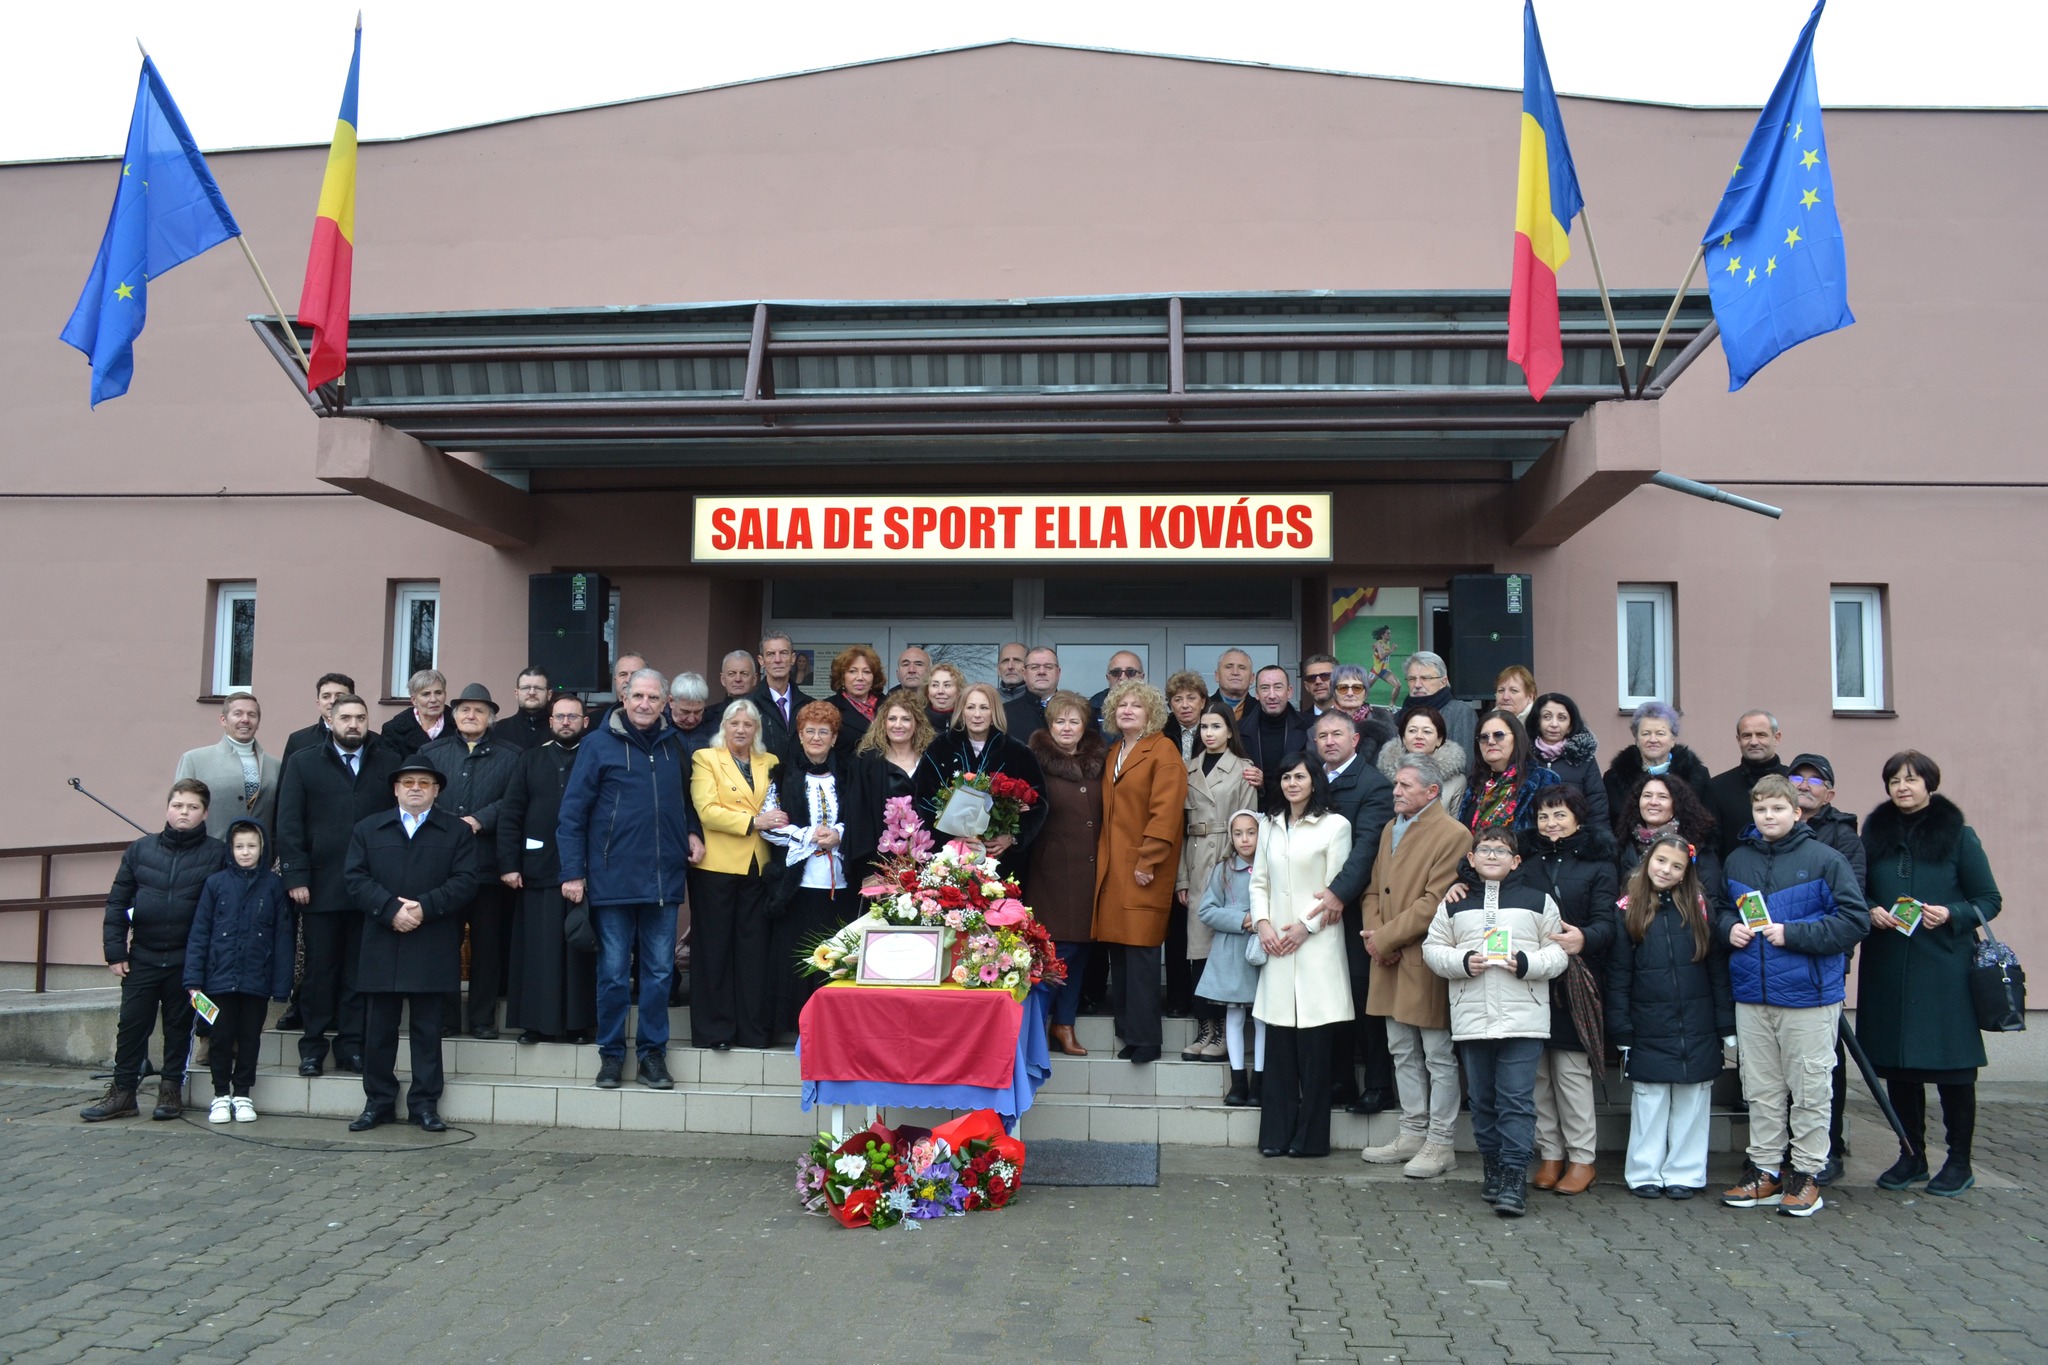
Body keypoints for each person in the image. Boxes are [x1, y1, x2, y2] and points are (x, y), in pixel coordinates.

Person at [1718, 774, 1868, 1218]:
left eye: (1778, 809)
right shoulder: (1737, 860)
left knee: (1809, 1090)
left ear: (1797, 812)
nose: (1769, 816)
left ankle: (1806, 1175)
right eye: (1761, 809)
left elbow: (1854, 921)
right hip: (1753, 994)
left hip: (1809, 996)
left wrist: (1794, 933)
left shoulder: (1826, 859)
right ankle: (1765, 1170)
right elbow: (1722, 909)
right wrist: (1729, 928)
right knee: (1761, 1089)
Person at [1860, 750, 2003, 1198]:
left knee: (1953, 1069)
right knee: (1901, 1067)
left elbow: (1988, 899)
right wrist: (1870, 911)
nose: (1903, 787)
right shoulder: (1873, 835)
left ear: (1929, 784)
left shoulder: (1959, 836)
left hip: (1944, 968)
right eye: (1894, 781)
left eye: (1912, 779)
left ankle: (1959, 1161)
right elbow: (1856, 890)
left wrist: (1953, 913)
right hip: (1889, 968)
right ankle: (1911, 1155)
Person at [558, 667, 696, 1090]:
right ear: (624, 696)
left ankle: (653, 1057)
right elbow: (572, 813)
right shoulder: (598, 744)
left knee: (658, 973)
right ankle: (612, 1056)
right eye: (637, 696)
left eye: (653, 698)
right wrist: (572, 872)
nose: (644, 704)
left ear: (664, 703)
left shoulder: (676, 745)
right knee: (614, 973)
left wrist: (693, 832)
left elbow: (688, 802)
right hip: (611, 879)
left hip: (662, 880)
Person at [1422, 827, 1568, 1216]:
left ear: (1516, 861)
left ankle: (1515, 1176)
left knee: (1517, 1101)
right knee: (1484, 1101)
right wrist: (1461, 962)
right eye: (1484, 850)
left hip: (1524, 1019)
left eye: (1501, 851)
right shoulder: (1454, 902)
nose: (1491, 856)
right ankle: (1493, 1168)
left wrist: (1526, 963)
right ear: (1471, 858)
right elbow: (1432, 949)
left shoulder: (1539, 901)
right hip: (1472, 1018)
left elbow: (1559, 954)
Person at [1482, 786, 1619, 1196]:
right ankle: (1551, 1154)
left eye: (1559, 815)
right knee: (1536, 1075)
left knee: (1571, 1075)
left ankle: (1582, 1159)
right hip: (1528, 977)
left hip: (1576, 982)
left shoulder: (1598, 862)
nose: (1551, 823)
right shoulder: (1527, 860)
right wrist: (1458, 884)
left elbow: (1608, 922)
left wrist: (1587, 938)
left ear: (1578, 817)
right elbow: (1487, 877)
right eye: (1544, 816)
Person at [342, 758, 481, 1133]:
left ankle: (424, 1104)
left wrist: (425, 907)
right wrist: (389, 910)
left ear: (437, 790)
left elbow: (467, 880)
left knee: (427, 1030)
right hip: (381, 940)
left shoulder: (455, 832)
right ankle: (378, 1102)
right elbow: (354, 878)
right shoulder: (368, 829)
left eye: (424, 782)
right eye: (407, 782)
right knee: (379, 1030)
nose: (415, 788)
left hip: (432, 940)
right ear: (395, 789)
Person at [81, 780, 230, 1123]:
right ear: (167, 808)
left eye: (192, 807)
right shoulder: (140, 850)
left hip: (187, 961)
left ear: (204, 813)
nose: (184, 813)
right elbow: (118, 902)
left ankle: (170, 1090)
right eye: (178, 805)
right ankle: (122, 1093)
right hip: (142, 957)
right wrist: (115, 951)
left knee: (179, 1028)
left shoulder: (217, 854)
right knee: (132, 1026)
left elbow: (223, 911)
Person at [1359, 754, 1473, 1177]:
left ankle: (1441, 1143)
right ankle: (1411, 1133)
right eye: (1396, 785)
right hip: (1387, 957)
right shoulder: (1392, 827)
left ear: (1432, 791)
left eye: (1405, 785)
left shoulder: (1454, 834)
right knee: (1401, 1050)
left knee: (1437, 1054)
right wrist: (1375, 939)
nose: (1396, 792)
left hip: (1422, 959)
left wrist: (1384, 938)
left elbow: (1434, 902)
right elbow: (1372, 890)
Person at [1606, 833, 1734, 1200]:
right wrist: (1622, 1028)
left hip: (1697, 1023)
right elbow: (1618, 976)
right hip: (1647, 1026)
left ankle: (1686, 1172)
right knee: (1650, 1100)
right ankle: (1644, 1171)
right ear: (1648, 861)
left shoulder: (1698, 909)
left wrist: (1724, 1024)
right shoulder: (1626, 910)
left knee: (1693, 1100)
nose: (1667, 870)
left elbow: (1715, 970)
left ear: (1684, 874)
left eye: (1676, 866)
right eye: (1661, 861)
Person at [276, 693, 399, 1077]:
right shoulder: (303, 762)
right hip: (320, 887)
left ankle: (350, 1046)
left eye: (360, 718)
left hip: (369, 888)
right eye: (345, 717)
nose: (354, 725)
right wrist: (296, 876)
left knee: (357, 972)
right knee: (319, 970)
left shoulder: (387, 763)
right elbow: (289, 822)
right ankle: (313, 1046)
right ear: (329, 720)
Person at [1251, 754, 1354, 1158]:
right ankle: (1275, 1137)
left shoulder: (1335, 825)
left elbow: (1335, 890)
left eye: (1300, 776)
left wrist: (1303, 928)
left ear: (1315, 781)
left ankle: (1310, 1141)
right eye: (1286, 776)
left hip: (1316, 946)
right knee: (1278, 1048)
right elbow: (1259, 882)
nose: (1292, 783)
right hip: (1276, 944)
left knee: (1314, 1052)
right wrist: (1262, 924)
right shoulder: (1270, 826)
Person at [1091, 681, 1188, 1065]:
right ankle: (1129, 1032)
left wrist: (1149, 860)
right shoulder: (1115, 749)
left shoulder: (1162, 750)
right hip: (1114, 870)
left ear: (1151, 713)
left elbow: (1166, 812)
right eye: (1121, 705)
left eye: (1137, 705)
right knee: (1120, 953)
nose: (1128, 710)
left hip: (1143, 868)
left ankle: (1147, 1040)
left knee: (1143, 955)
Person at [763, 701, 874, 1035]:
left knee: (837, 950)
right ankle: (797, 1023)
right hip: (799, 882)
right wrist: (809, 835)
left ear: (834, 736)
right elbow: (771, 823)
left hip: (839, 881)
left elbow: (861, 815)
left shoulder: (849, 772)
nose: (815, 737)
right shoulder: (783, 774)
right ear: (799, 733)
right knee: (797, 952)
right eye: (809, 730)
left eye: (823, 731)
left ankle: (835, 1024)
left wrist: (839, 833)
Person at [419, 683, 521, 1039]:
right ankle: (447, 1019)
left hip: (488, 867)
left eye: (479, 711)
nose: (471, 716)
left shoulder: (511, 756)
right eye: (464, 710)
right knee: (444, 946)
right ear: (454, 715)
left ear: (491, 717)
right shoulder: (431, 752)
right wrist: (450, 824)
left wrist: (479, 820)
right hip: (443, 869)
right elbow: (419, 794)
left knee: (487, 948)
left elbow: (514, 801)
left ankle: (481, 1019)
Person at [1309, 711, 1396, 1115]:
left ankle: (1379, 1085)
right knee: (1330, 998)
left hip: (1356, 910)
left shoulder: (1373, 784)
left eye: (1337, 734)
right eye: (1322, 735)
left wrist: (1340, 894)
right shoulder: (1310, 779)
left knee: (1364, 1000)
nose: (1329, 741)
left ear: (1355, 739)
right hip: (1316, 910)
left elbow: (1367, 849)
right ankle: (1340, 1079)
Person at [496, 695, 596, 1045]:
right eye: (560, 717)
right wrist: (508, 864)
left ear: (585, 722)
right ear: (550, 721)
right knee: (538, 951)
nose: (566, 722)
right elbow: (510, 815)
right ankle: (534, 1024)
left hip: (587, 872)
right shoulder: (530, 759)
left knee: (578, 952)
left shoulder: (596, 757)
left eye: (573, 716)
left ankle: (577, 1025)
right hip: (537, 870)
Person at [1788, 750, 1866, 1185]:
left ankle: (1828, 1147)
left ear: (1829, 792)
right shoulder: (1769, 830)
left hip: (1822, 965)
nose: (1804, 785)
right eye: (1796, 777)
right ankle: (1785, 1147)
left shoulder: (1843, 840)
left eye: (1814, 780)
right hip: (1775, 966)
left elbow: (1848, 906)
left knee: (1823, 1064)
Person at [184, 819, 293, 1123]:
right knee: (220, 1037)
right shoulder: (215, 884)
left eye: (252, 846)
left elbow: (282, 936)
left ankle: (243, 1093)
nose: (246, 852)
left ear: (263, 849)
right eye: (240, 846)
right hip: (217, 981)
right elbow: (200, 932)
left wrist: (281, 985)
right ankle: (220, 1094)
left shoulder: (273, 886)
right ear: (231, 849)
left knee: (249, 1038)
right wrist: (193, 979)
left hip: (256, 978)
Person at [689, 699, 783, 1051]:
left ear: (757, 728)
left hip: (757, 866)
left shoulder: (770, 761)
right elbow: (707, 810)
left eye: (748, 724)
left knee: (753, 951)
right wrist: (754, 822)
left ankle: (753, 1030)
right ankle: (716, 1031)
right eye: (734, 723)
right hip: (716, 866)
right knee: (714, 951)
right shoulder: (705, 758)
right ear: (723, 726)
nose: (741, 729)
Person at [1024, 691, 1108, 1057]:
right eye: (1060, 721)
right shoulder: (1034, 762)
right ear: (1049, 725)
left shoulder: (1100, 761)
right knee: (1053, 953)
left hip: (1091, 872)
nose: (1067, 728)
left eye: (1074, 721)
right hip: (1050, 874)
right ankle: (1039, 1027)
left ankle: (1065, 1024)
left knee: (1081, 951)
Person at [1176, 701, 1251, 1060]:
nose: (1209, 733)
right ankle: (1204, 1028)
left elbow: (1249, 825)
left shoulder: (1243, 770)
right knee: (1198, 952)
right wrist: (1181, 880)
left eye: (1217, 726)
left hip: (1227, 861)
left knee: (1223, 952)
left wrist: (1237, 870)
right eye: (1204, 727)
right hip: (1194, 859)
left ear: (1229, 731)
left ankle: (1223, 1032)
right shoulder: (1187, 769)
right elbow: (1180, 829)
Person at [929, 682, 1048, 880]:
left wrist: (1012, 838)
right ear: (961, 712)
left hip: (1002, 860)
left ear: (995, 712)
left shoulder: (1017, 751)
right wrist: (950, 837)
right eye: (970, 707)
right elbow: (924, 797)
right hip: (950, 857)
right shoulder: (940, 748)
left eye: (984, 707)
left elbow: (1038, 802)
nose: (977, 714)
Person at [1196, 811, 1265, 1106]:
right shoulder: (1223, 869)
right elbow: (1207, 911)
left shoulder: (1270, 867)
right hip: (1232, 954)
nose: (1245, 839)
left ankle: (1260, 1081)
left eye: (1251, 832)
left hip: (1263, 952)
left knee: (1263, 1018)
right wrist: (1242, 919)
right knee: (1234, 1016)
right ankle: (1238, 1081)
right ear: (1231, 837)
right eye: (1238, 834)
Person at [1614, 773, 1732, 923]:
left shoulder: (1697, 845)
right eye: (1647, 796)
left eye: (1663, 797)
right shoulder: (1623, 845)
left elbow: (1711, 899)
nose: (1653, 802)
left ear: (1676, 803)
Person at [849, 688, 943, 862]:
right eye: (892, 719)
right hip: (881, 861)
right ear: (883, 723)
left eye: (906, 719)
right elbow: (859, 816)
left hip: (930, 858)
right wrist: (868, 870)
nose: (898, 725)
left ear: (917, 724)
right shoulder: (868, 762)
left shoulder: (932, 760)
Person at [175, 692, 282, 841]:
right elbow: (181, 810)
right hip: (208, 856)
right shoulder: (194, 760)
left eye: (252, 715)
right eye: (238, 714)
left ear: (258, 722)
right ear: (223, 720)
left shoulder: (276, 766)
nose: (245, 720)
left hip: (258, 857)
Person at [1602, 700, 1713, 817]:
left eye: (1660, 733)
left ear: (1673, 739)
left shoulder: (1698, 776)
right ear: (1636, 740)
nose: (1653, 740)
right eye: (1646, 733)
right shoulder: (1613, 778)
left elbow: (1706, 822)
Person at [1459, 710, 1559, 834]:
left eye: (1499, 735)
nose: (1490, 741)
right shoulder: (1475, 783)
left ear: (1517, 738)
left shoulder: (1542, 780)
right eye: (1484, 737)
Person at [1706, 710, 1789, 857]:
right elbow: (1710, 848)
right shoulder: (1718, 787)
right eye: (1747, 736)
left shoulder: (1794, 782)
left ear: (1777, 738)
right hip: (1735, 877)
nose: (1754, 742)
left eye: (1761, 735)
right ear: (1738, 740)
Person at [1529, 692, 1611, 838]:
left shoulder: (1584, 759)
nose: (1554, 724)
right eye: (1547, 717)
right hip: (1533, 842)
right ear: (1537, 722)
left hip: (1574, 842)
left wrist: (1595, 843)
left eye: (1562, 718)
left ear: (1570, 726)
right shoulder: (1524, 757)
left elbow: (1597, 806)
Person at [1239, 664, 1312, 814]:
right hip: (1255, 816)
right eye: (1265, 688)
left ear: (1289, 691)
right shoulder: (1239, 730)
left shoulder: (1310, 726)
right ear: (1257, 694)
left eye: (1278, 687)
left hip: (1300, 814)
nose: (1272, 695)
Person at [1375, 704, 1468, 815]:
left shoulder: (1456, 780)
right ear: (1403, 738)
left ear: (1439, 739)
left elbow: (1456, 823)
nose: (1419, 736)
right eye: (1412, 731)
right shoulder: (1383, 775)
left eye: (1427, 732)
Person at [746, 632, 810, 762]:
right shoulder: (747, 706)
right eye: (770, 654)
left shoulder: (809, 705)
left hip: (798, 780)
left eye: (783, 653)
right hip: (763, 779)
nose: (777, 660)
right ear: (761, 661)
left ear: (793, 659)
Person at [1400, 651, 1475, 758]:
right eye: (1412, 679)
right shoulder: (1398, 716)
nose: (1417, 685)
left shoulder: (1460, 712)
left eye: (1425, 678)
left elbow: (1465, 762)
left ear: (1443, 682)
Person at [283, 672, 372, 761]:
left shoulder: (373, 741)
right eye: (326, 696)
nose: (332, 701)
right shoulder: (299, 741)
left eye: (339, 696)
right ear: (318, 704)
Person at [826, 644, 885, 762]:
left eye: (866, 672)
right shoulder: (828, 709)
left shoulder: (889, 705)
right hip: (847, 777)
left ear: (874, 677)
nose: (860, 677)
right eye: (853, 671)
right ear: (842, 677)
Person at [380, 668, 450, 758]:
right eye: (426, 694)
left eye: (438, 693)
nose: (433, 699)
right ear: (414, 700)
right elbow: (388, 767)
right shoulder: (393, 730)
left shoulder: (459, 725)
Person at [1329, 664, 1395, 756]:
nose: (1350, 693)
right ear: (1334, 693)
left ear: (1366, 693)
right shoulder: (1322, 725)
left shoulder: (1384, 721)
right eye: (1343, 688)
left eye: (1357, 688)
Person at [1003, 646, 1062, 739]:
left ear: (1058, 673)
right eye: (1034, 667)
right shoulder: (1004, 714)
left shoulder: (1080, 712)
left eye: (1048, 667)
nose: (1042, 672)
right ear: (1024, 674)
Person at [492, 667, 553, 752]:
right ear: (516, 693)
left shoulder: (559, 730)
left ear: (549, 694)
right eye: (525, 688)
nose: (532, 692)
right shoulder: (498, 730)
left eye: (538, 688)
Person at [1088, 651, 1146, 733]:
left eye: (1130, 672)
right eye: (1116, 672)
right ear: (1108, 677)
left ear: (1142, 677)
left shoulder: (1154, 709)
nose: (1123, 677)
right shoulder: (1091, 708)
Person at [1162, 670, 1210, 761]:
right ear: (1171, 706)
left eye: (1191, 698)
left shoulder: (1213, 729)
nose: (1185, 705)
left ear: (1203, 702)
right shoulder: (1161, 732)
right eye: (1178, 700)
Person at [669, 673, 716, 751]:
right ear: (671, 702)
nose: (691, 720)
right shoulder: (658, 727)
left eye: (698, 712)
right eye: (685, 712)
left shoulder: (715, 727)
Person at [920, 660, 965, 737]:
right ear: (927, 691)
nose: (940, 691)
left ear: (958, 691)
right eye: (935, 685)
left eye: (947, 685)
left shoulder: (968, 722)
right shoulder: (917, 721)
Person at [1213, 648, 1255, 721]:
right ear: (1217, 676)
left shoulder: (1261, 709)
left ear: (1252, 678)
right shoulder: (1203, 707)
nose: (1235, 672)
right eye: (1228, 667)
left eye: (1242, 668)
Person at [716, 650, 759, 716]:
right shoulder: (708, 717)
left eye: (744, 673)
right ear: (723, 679)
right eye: (731, 674)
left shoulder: (767, 714)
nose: (738, 679)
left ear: (754, 679)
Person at [1299, 652, 1338, 717]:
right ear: (1306, 686)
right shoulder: (1300, 723)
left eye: (1325, 676)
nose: (1318, 681)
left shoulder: (1354, 719)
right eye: (1311, 678)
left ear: (1338, 680)